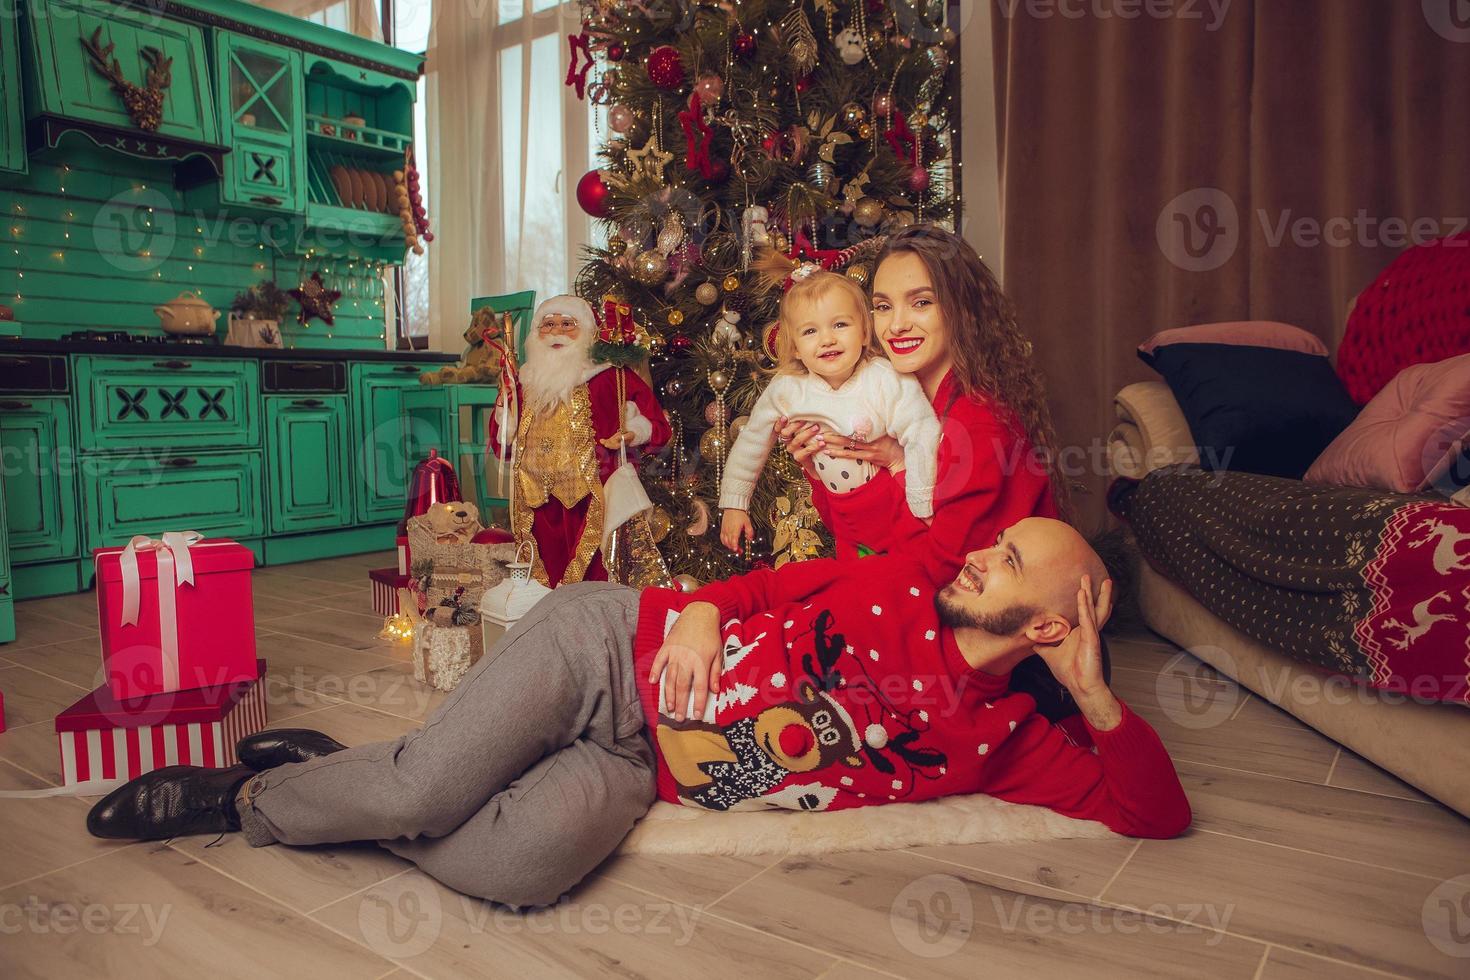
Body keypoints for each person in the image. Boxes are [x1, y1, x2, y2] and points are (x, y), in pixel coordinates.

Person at [86, 517, 1191, 910]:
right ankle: (247, 796)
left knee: (522, 867)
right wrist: (698, 615)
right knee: (429, 790)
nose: (984, 553)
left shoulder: (1004, 742)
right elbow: (752, 590)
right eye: (998, 540)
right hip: (613, 649)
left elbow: (1153, 815)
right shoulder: (899, 575)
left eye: (1010, 562)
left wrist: (1097, 697)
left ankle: (353, 770)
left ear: (1047, 627)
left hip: (639, 765)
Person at [780, 225, 1066, 584]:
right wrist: (819, 465)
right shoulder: (890, 399)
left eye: (921, 302)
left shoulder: (977, 419)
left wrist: (898, 464)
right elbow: (851, 529)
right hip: (889, 589)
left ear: (961, 310)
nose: (896, 325)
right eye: (883, 306)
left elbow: (939, 572)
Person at [719, 264, 942, 554]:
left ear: (864, 332)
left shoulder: (885, 378)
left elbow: (922, 429)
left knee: (904, 573)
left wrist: (923, 501)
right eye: (810, 331)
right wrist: (735, 504)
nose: (827, 339)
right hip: (845, 521)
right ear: (796, 347)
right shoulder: (788, 387)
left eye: (840, 325)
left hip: (896, 506)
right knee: (856, 582)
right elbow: (752, 441)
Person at [488, 294, 671, 588]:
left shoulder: (609, 377)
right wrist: (504, 414)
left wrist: (633, 432)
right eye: (548, 324)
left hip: (591, 496)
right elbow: (504, 442)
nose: (557, 331)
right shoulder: (524, 381)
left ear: (586, 330)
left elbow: (655, 422)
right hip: (536, 499)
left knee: (591, 574)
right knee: (542, 570)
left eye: (567, 324)